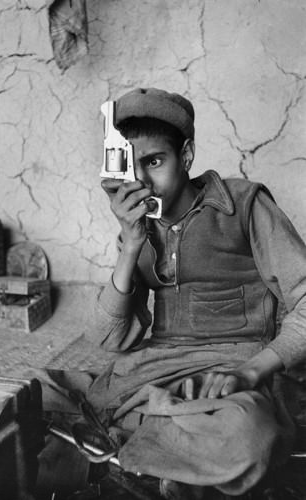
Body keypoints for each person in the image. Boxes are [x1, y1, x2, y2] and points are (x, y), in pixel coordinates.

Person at [36, 88, 306, 500]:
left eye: (155, 162)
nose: (142, 181)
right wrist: (129, 246)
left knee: (248, 436)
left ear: (188, 155)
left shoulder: (245, 204)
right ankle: (164, 460)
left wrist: (251, 372)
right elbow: (108, 340)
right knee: (34, 391)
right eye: (131, 167)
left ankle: (124, 450)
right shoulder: (138, 227)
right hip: (154, 368)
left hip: (235, 367)